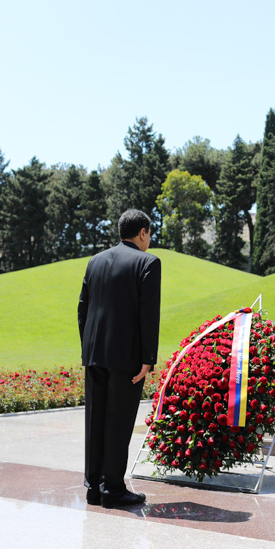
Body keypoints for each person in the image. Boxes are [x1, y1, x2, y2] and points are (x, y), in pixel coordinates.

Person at [78, 209, 161, 508]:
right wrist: (148, 357)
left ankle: (94, 488)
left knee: (96, 420)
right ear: (141, 233)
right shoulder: (148, 262)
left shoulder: (95, 261)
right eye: (149, 234)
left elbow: (82, 309)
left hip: (94, 353)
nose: (149, 239)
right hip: (126, 356)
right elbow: (149, 314)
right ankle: (112, 488)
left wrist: (89, 347)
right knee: (118, 421)